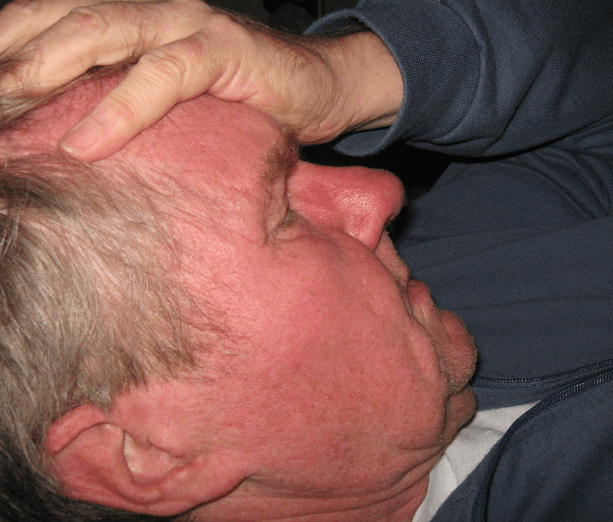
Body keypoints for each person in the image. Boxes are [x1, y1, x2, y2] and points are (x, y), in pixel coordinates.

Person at [1, 0, 612, 521]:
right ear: (149, 457)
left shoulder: (459, 269)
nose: (381, 192)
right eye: (283, 216)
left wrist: (353, 75)